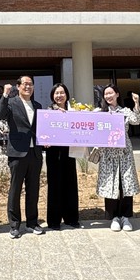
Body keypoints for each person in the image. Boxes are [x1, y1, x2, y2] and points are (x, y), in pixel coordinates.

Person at [0, 75, 44, 238]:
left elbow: (41, 127)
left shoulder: (37, 105)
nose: (28, 87)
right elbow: (0, 114)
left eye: (30, 84)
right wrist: (5, 95)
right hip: (17, 152)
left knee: (33, 189)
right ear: (18, 86)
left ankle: (32, 223)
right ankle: (14, 225)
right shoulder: (11, 103)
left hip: (35, 152)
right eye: (25, 84)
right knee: (15, 189)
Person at [96, 84, 140, 232]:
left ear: (117, 94)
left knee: (125, 184)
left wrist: (136, 103)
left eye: (111, 93)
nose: (108, 96)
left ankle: (126, 217)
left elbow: (137, 120)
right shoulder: (100, 113)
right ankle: (114, 217)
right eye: (106, 94)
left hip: (124, 153)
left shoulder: (125, 111)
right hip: (108, 154)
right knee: (111, 184)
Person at [45, 83, 81, 230]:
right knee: (55, 185)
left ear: (66, 94)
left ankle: (71, 218)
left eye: (62, 93)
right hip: (54, 153)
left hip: (70, 151)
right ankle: (54, 220)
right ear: (52, 96)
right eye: (56, 93)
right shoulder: (48, 111)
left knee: (70, 183)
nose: (59, 96)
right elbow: (44, 130)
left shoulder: (73, 110)